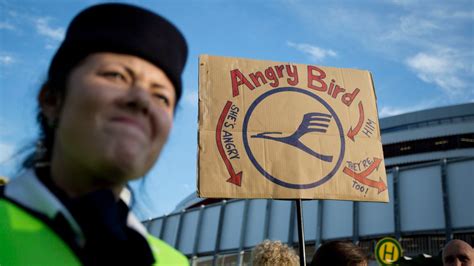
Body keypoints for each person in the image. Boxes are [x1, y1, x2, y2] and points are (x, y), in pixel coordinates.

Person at [0, 3, 188, 265]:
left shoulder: (171, 262)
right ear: (52, 99)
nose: (143, 100)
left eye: (161, 97)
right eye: (116, 76)